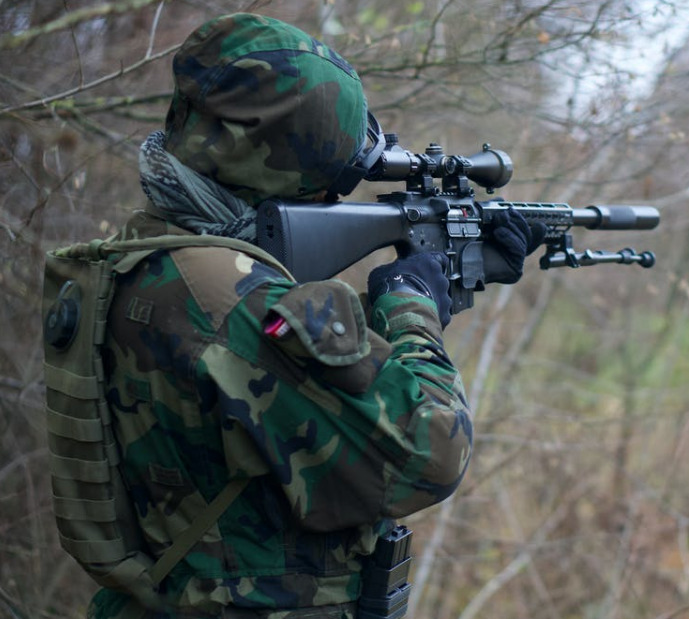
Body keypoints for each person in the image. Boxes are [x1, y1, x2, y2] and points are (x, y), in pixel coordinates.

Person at [85, 12, 541, 619]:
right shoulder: (232, 301)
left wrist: (452, 274)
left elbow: (285, 408)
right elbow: (430, 454)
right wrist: (413, 306)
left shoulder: (143, 259)